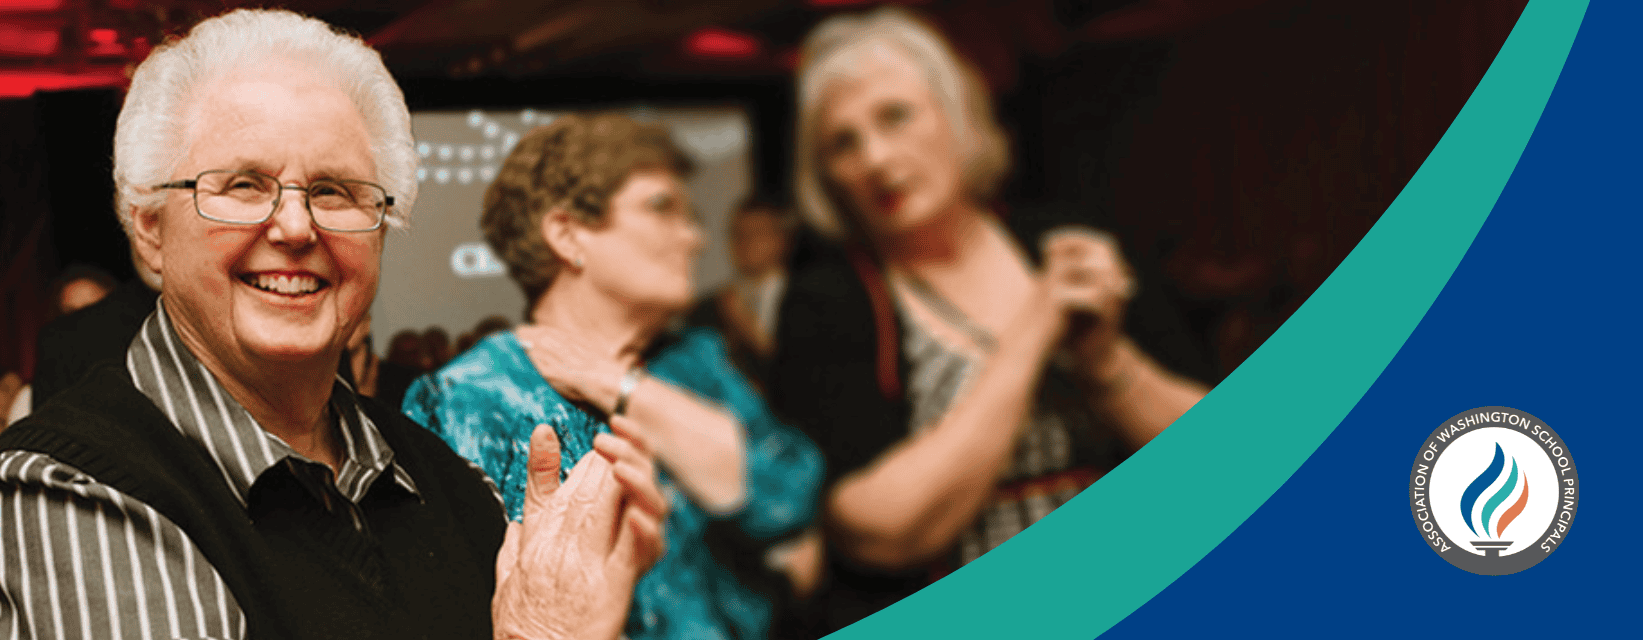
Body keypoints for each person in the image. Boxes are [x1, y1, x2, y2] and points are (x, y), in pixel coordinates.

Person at [0, 10, 666, 640]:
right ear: (150, 228)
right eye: (243, 185)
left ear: (382, 229)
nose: (294, 226)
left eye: (336, 191)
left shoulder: (445, 481)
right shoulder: (61, 493)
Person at [771, 8, 1210, 633]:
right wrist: (1033, 331)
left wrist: (1105, 360)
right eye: (843, 143)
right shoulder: (829, 300)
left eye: (895, 116)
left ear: (957, 118)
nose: (875, 158)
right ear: (825, 180)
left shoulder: (1068, 243)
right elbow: (876, 531)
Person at [404, 114, 825, 640]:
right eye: (661, 208)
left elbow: (795, 499)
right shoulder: (472, 396)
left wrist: (623, 388)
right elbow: (465, 605)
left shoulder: (697, 360)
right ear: (566, 233)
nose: (694, 238)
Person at [685, 196, 795, 387]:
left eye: (757, 233)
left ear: (782, 240)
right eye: (737, 234)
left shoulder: (809, 298)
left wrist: (748, 329)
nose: (746, 242)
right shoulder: (707, 307)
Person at [29, 250, 162, 407]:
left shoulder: (146, 344)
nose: (84, 327)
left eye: (94, 308)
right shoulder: (57, 359)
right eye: (73, 313)